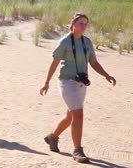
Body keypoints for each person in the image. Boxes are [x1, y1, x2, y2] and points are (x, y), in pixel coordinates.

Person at [40, 13, 116, 163]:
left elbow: (93, 63)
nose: (84, 26)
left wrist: (106, 75)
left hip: (81, 83)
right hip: (67, 82)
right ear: (73, 24)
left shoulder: (87, 42)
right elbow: (54, 63)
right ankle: (77, 150)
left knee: (70, 116)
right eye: (81, 23)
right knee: (78, 115)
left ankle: (52, 137)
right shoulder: (65, 42)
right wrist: (46, 82)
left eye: (86, 24)